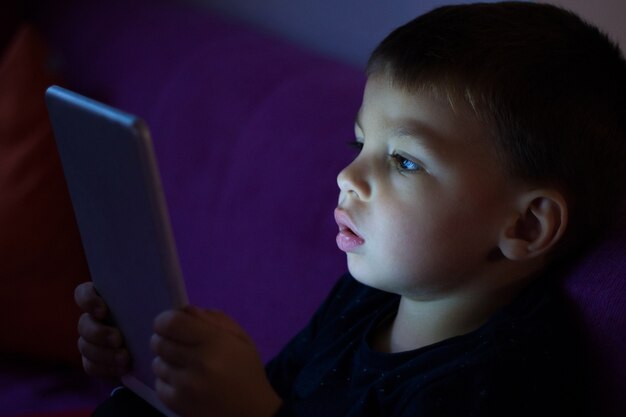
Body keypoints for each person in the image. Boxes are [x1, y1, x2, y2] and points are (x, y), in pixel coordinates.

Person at [74, 2, 626, 416]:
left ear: (525, 225)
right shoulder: (366, 297)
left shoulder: (503, 383)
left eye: (405, 162)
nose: (347, 177)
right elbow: (280, 393)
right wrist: (155, 370)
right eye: (357, 145)